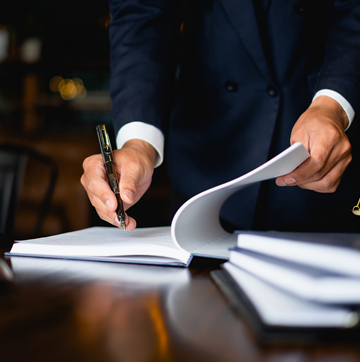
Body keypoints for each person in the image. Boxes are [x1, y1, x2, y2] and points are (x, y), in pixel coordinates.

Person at [81, 0, 360, 233]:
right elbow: (141, 16)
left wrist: (331, 105)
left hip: (328, 160)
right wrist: (138, 144)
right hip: (206, 170)